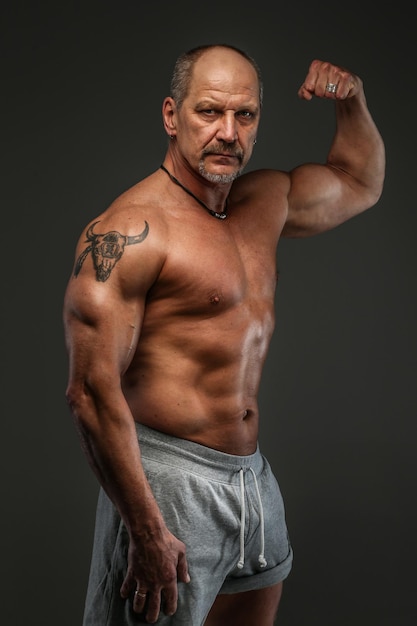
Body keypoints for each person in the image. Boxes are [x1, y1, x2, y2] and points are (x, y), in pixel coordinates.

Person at [63, 43, 385, 626]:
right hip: (166, 485)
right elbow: (90, 391)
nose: (228, 132)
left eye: (245, 115)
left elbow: (359, 181)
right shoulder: (131, 231)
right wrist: (144, 528)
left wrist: (352, 101)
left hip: (251, 479)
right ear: (171, 115)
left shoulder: (265, 203)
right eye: (209, 112)